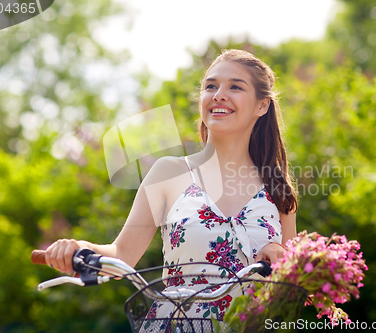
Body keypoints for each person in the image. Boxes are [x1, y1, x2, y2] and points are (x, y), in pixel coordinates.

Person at [44, 49, 298, 327]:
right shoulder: (169, 172)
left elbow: (296, 286)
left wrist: (281, 255)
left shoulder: (277, 186)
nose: (219, 94)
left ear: (262, 106)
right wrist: (79, 247)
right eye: (210, 86)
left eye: (235, 87)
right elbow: (122, 255)